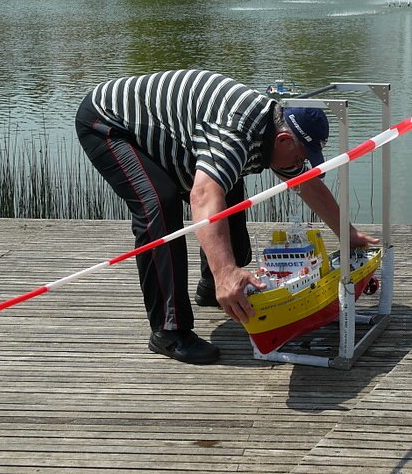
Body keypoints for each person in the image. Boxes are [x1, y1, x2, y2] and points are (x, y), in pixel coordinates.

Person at [75, 69, 379, 364]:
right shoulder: (235, 133)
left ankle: (209, 289)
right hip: (108, 122)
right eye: (301, 156)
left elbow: (307, 183)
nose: (300, 163)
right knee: (159, 204)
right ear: (284, 140)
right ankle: (168, 332)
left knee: (229, 191)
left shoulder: (274, 134)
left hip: (170, 130)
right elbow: (203, 196)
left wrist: (347, 232)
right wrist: (226, 273)